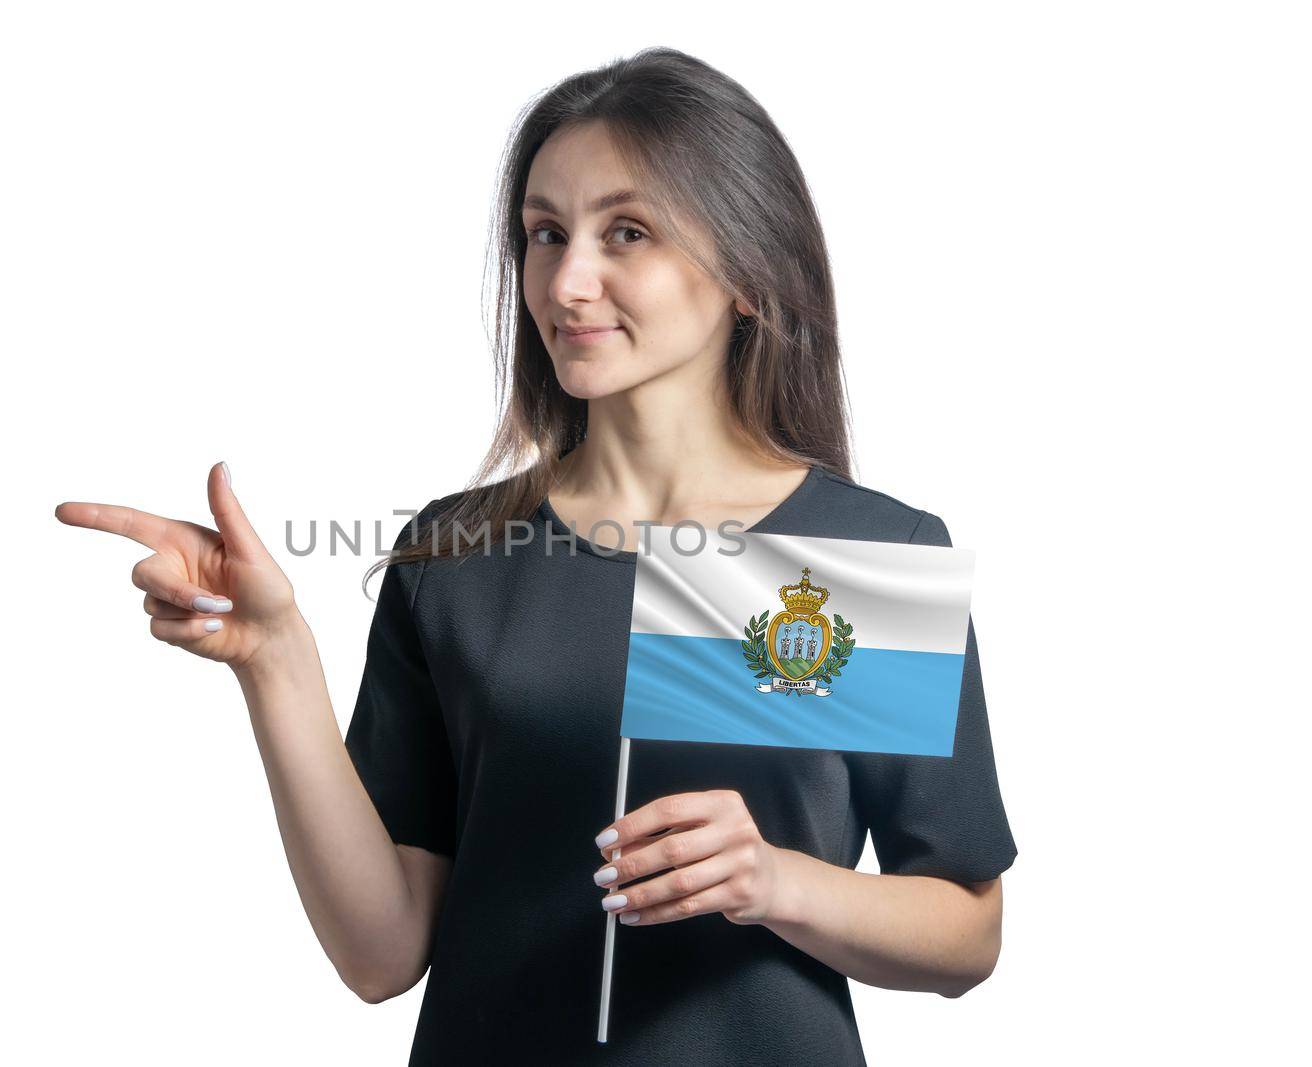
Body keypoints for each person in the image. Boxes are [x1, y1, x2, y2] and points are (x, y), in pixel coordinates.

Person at [55, 46, 1016, 1066]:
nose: (566, 280)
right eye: (545, 233)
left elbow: (966, 928)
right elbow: (380, 952)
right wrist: (275, 658)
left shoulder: (859, 553)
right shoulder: (455, 556)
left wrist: (776, 881)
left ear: (745, 267)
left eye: (627, 232)